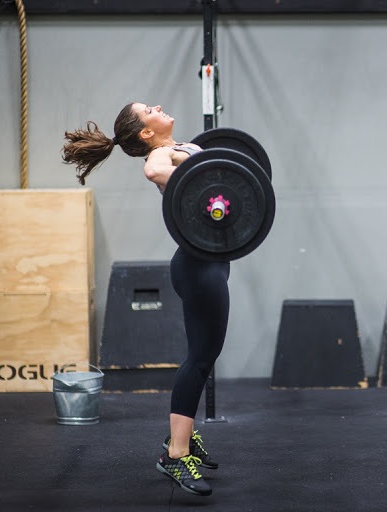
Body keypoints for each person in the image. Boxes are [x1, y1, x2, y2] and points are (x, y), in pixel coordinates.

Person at [62, 103, 227, 496]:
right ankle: (175, 454)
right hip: (197, 266)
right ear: (146, 133)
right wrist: (200, 183)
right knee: (200, 358)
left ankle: (183, 436)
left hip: (210, 261)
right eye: (148, 109)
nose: (158, 106)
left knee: (204, 357)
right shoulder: (160, 154)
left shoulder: (182, 147)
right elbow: (154, 172)